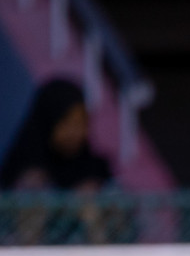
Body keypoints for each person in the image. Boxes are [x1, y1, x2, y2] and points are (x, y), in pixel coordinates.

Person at [0, 78, 116, 244]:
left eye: (82, 122)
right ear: (49, 120)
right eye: (67, 122)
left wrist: (92, 212)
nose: (75, 131)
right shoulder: (24, 165)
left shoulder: (94, 168)